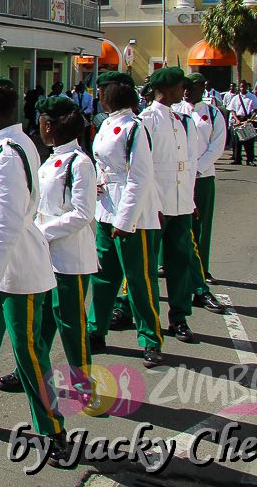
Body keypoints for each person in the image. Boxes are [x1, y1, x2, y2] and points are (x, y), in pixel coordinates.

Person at [0, 76, 69, 465]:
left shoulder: (7, 153)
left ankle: (52, 429)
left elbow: (6, 221)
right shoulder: (12, 145)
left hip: (17, 270)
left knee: (28, 351)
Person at [0, 96, 97, 401]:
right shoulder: (51, 160)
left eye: (41, 122)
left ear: (50, 125)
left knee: (71, 322)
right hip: (44, 256)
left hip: (69, 258)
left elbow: (82, 213)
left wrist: (41, 232)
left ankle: (83, 382)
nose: (38, 127)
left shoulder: (79, 163)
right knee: (39, 322)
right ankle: (28, 371)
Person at [86, 71, 164, 367]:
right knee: (103, 276)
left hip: (132, 215)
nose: (99, 96)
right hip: (106, 208)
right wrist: (96, 182)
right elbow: (102, 163)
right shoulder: (107, 123)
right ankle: (96, 330)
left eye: (102, 91)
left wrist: (125, 219)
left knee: (139, 280)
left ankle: (150, 339)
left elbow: (140, 177)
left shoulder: (135, 127)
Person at [138, 67, 200, 344]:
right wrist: (152, 203)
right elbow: (143, 167)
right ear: (165, 89)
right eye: (179, 86)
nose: (183, 91)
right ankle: (143, 316)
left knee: (180, 261)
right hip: (157, 205)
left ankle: (179, 316)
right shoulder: (146, 120)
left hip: (181, 202)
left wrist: (191, 199)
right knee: (147, 266)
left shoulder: (183, 120)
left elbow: (190, 164)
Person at [173, 73, 227, 313]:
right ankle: (167, 263)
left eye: (192, 87)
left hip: (202, 176)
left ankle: (202, 268)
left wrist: (197, 168)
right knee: (174, 221)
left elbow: (217, 145)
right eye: (184, 87)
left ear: (203, 88)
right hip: (178, 176)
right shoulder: (175, 110)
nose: (187, 91)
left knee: (201, 224)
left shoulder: (213, 114)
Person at [226, 80, 257, 165]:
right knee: (237, 141)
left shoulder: (252, 97)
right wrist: (236, 119)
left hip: (247, 119)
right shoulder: (236, 98)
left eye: (244, 86)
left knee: (249, 142)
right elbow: (232, 110)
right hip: (238, 119)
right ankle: (237, 159)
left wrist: (251, 119)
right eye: (241, 87)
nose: (242, 88)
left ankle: (250, 160)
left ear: (247, 87)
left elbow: (256, 109)